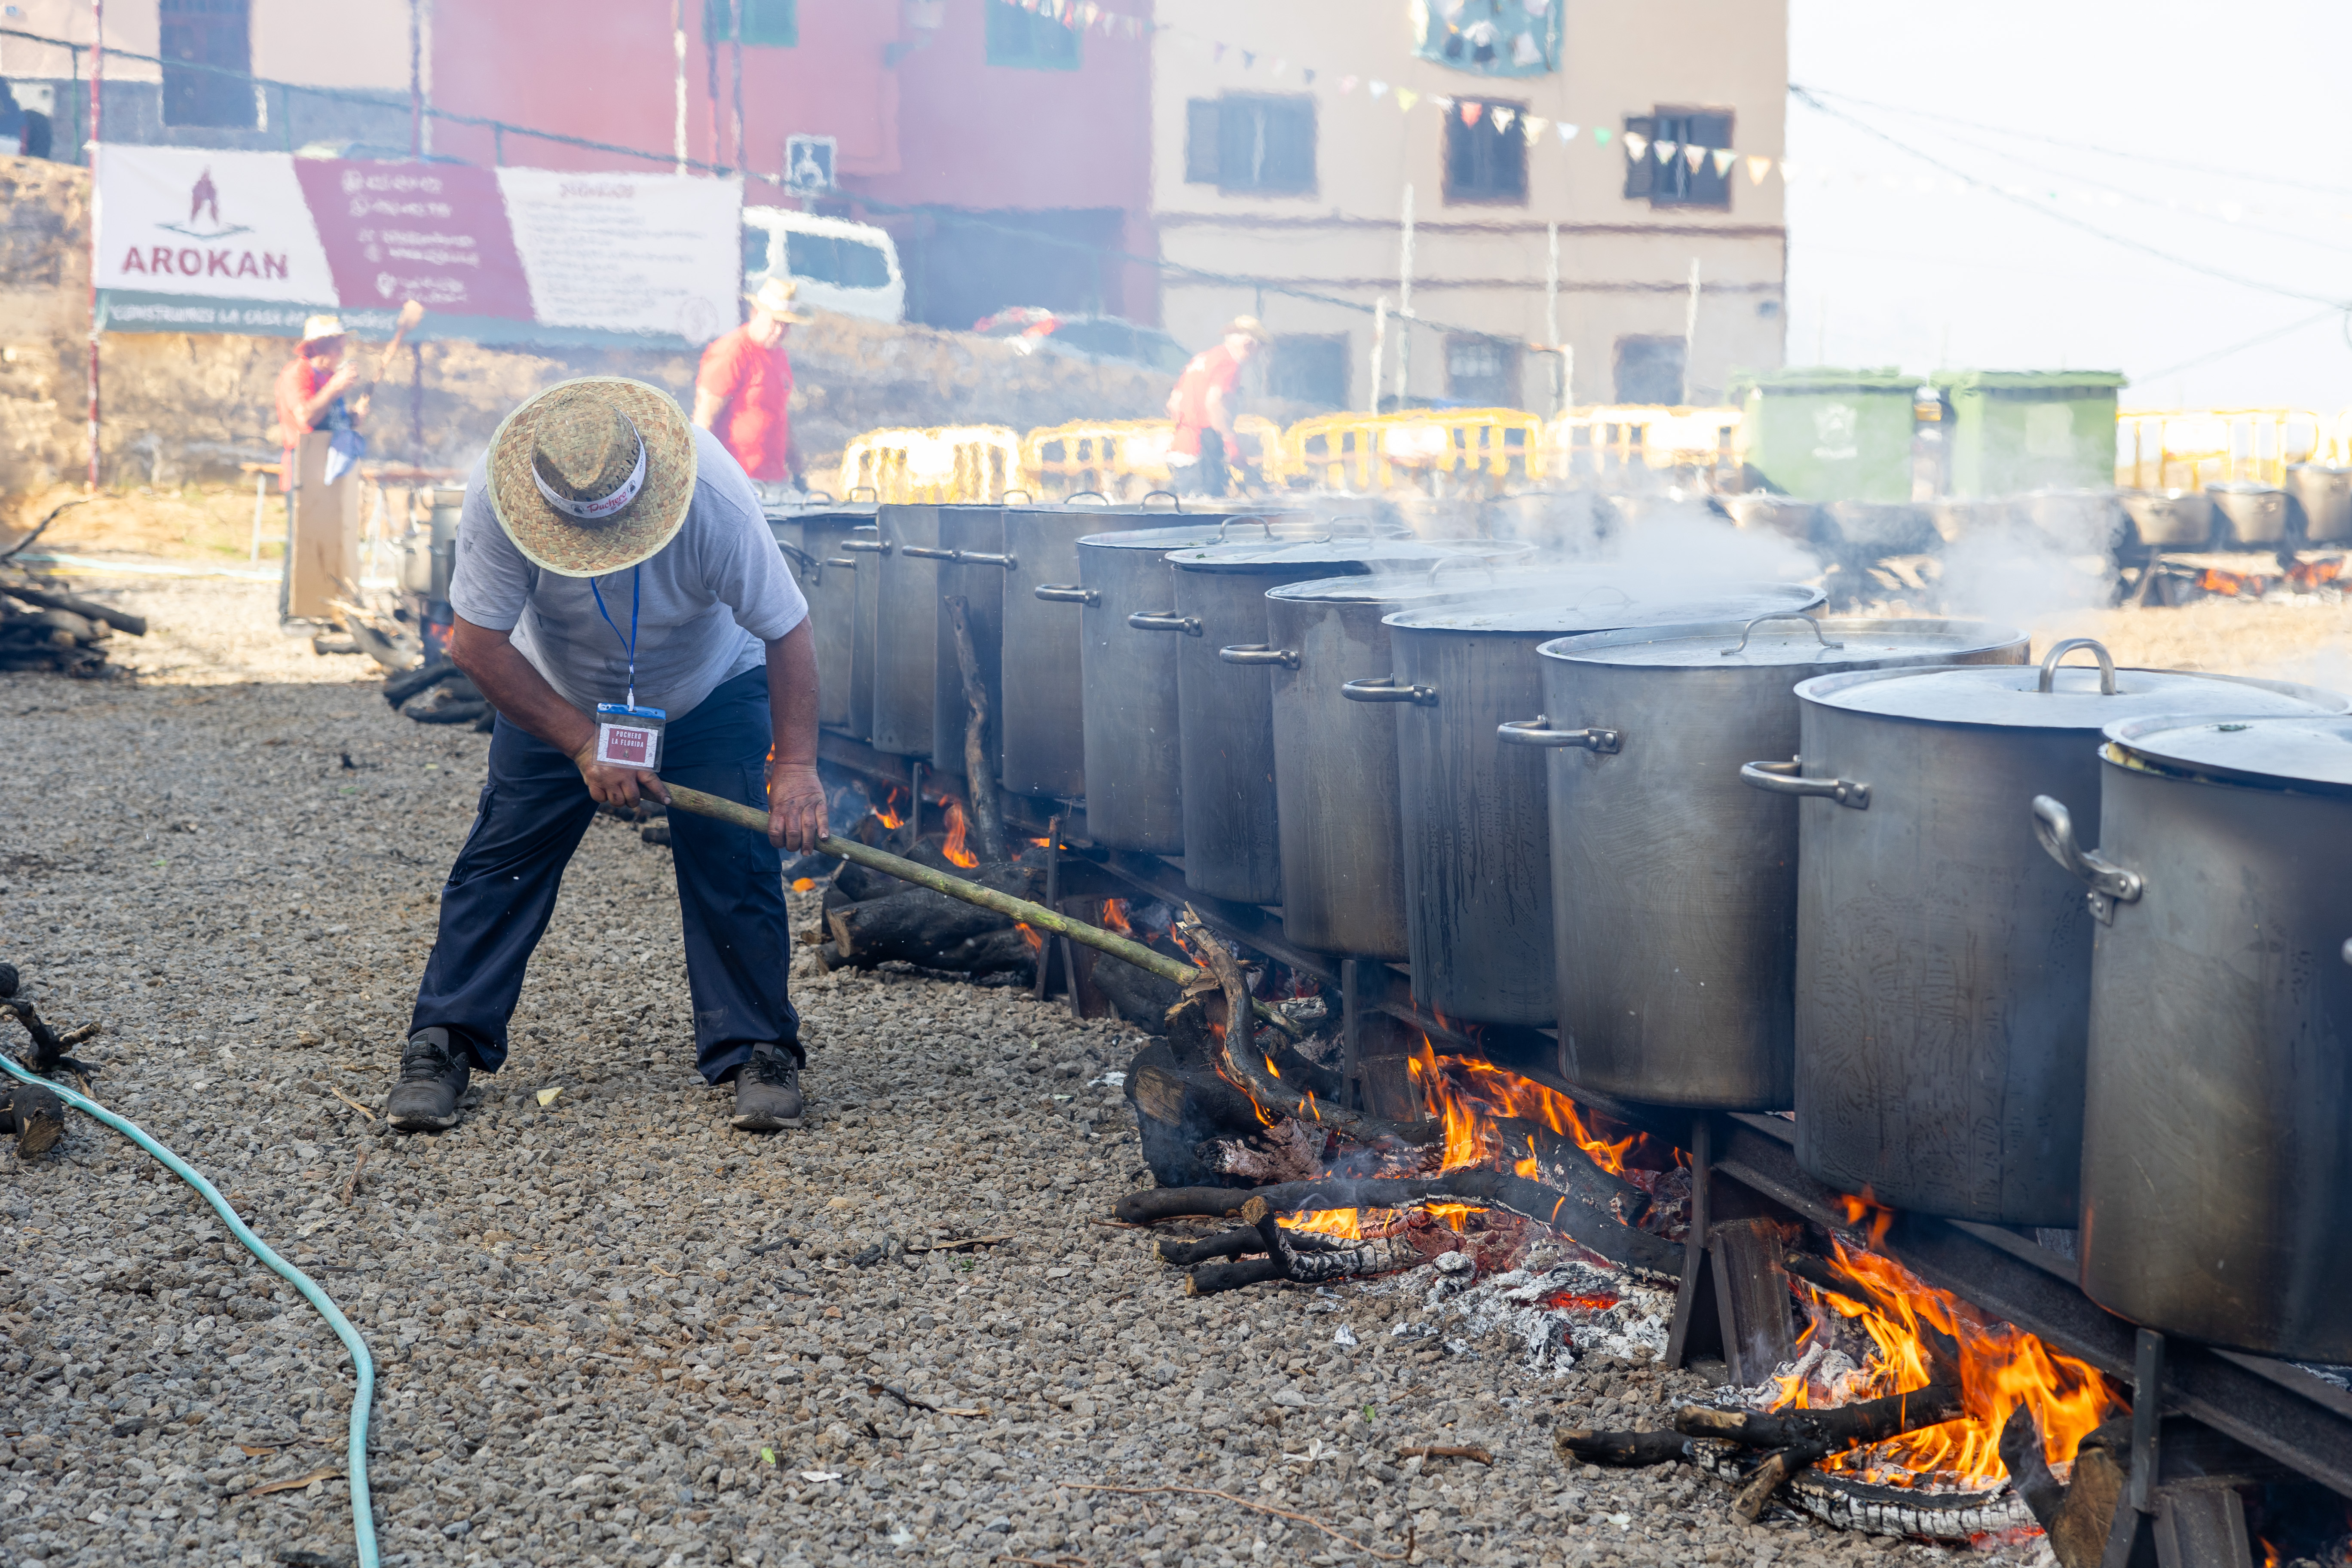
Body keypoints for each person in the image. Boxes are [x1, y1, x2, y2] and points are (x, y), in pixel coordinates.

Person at [385, 377, 829, 1136]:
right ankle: (444, 1038)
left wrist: (793, 765)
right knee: (503, 858)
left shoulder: (715, 497)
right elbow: (477, 644)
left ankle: (757, 1044)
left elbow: (788, 630)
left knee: (734, 858)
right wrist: (581, 740)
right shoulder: (502, 493)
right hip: (556, 688)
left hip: (709, 686)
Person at [693, 276, 811, 490]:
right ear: (756, 313)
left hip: (775, 479)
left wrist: (798, 469)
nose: (780, 331)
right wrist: (706, 481)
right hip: (737, 479)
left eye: (786, 325)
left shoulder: (778, 354)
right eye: (776, 322)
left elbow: (779, 415)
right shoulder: (732, 353)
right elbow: (703, 424)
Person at [1165, 315, 1271, 498]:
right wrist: (1230, 441)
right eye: (1260, 347)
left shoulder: (1204, 358)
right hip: (1202, 449)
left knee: (1184, 510)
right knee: (1207, 512)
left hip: (1181, 447)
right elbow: (1215, 401)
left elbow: (1174, 402)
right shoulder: (1229, 363)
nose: (1258, 354)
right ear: (1249, 344)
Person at [273, 315, 366, 491]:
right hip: (304, 465)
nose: (341, 354)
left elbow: (329, 421)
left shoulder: (328, 377)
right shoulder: (297, 373)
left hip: (329, 467)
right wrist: (334, 388)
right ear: (316, 347)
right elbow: (306, 418)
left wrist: (351, 419)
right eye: (337, 349)